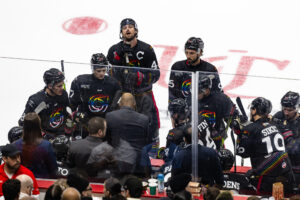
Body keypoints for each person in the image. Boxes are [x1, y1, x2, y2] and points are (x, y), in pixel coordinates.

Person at [107, 18, 160, 147]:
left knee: (150, 122)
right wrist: (119, 73)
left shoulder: (147, 49)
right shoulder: (114, 50)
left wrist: (139, 76)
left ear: (136, 30)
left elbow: (156, 74)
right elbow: (109, 74)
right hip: (123, 93)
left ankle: (152, 147)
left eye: (130, 27)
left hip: (143, 93)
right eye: (124, 28)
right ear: (121, 32)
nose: (127, 29)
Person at [235, 97, 295, 194]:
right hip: (287, 172)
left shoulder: (250, 129)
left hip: (267, 176)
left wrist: (240, 133)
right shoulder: (276, 124)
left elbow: (242, 152)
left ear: (254, 110)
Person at [69, 53, 121, 138]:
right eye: (98, 71)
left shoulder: (113, 83)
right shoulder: (80, 81)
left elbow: (117, 103)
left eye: (104, 70)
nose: (102, 74)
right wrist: (78, 115)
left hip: (105, 123)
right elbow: (72, 106)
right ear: (93, 69)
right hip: (86, 123)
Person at [105, 93, 150, 177]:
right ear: (134, 104)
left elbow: (108, 140)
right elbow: (147, 141)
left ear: (120, 103)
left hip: (117, 161)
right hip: (138, 163)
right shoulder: (144, 119)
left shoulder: (110, 116)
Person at [168, 37, 222, 105]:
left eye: (191, 53)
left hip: (204, 108)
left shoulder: (210, 69)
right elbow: (172, 94)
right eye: (186, 52)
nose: (188, 56)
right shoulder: (177, 67)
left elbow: (218, 93)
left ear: (200, 53)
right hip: (183, 109)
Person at [19, 68, 70, 138]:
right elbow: (22, 123)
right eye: (59, 86)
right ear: (49, 86)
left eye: (63, 85)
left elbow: (66, 112)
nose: (62, 88)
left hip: (61, 134)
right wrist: (41, 134)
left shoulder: (63, 94)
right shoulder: (36, 101)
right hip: (44, 138)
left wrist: (70, 122)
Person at [14, 112, 58, 178]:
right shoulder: (46, 145)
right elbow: (53, 169)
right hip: (42, 183)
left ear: (24, 126)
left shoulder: (15, 145)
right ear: (38, 125)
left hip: (22, 182)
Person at [197, 75, 234, 150]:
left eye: (199, 91)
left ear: (207, 89)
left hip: (216, 142)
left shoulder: (220, 99)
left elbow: (233, 118)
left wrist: (238, 124)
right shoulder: (191, 100)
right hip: (196, 141)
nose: (196, 93)